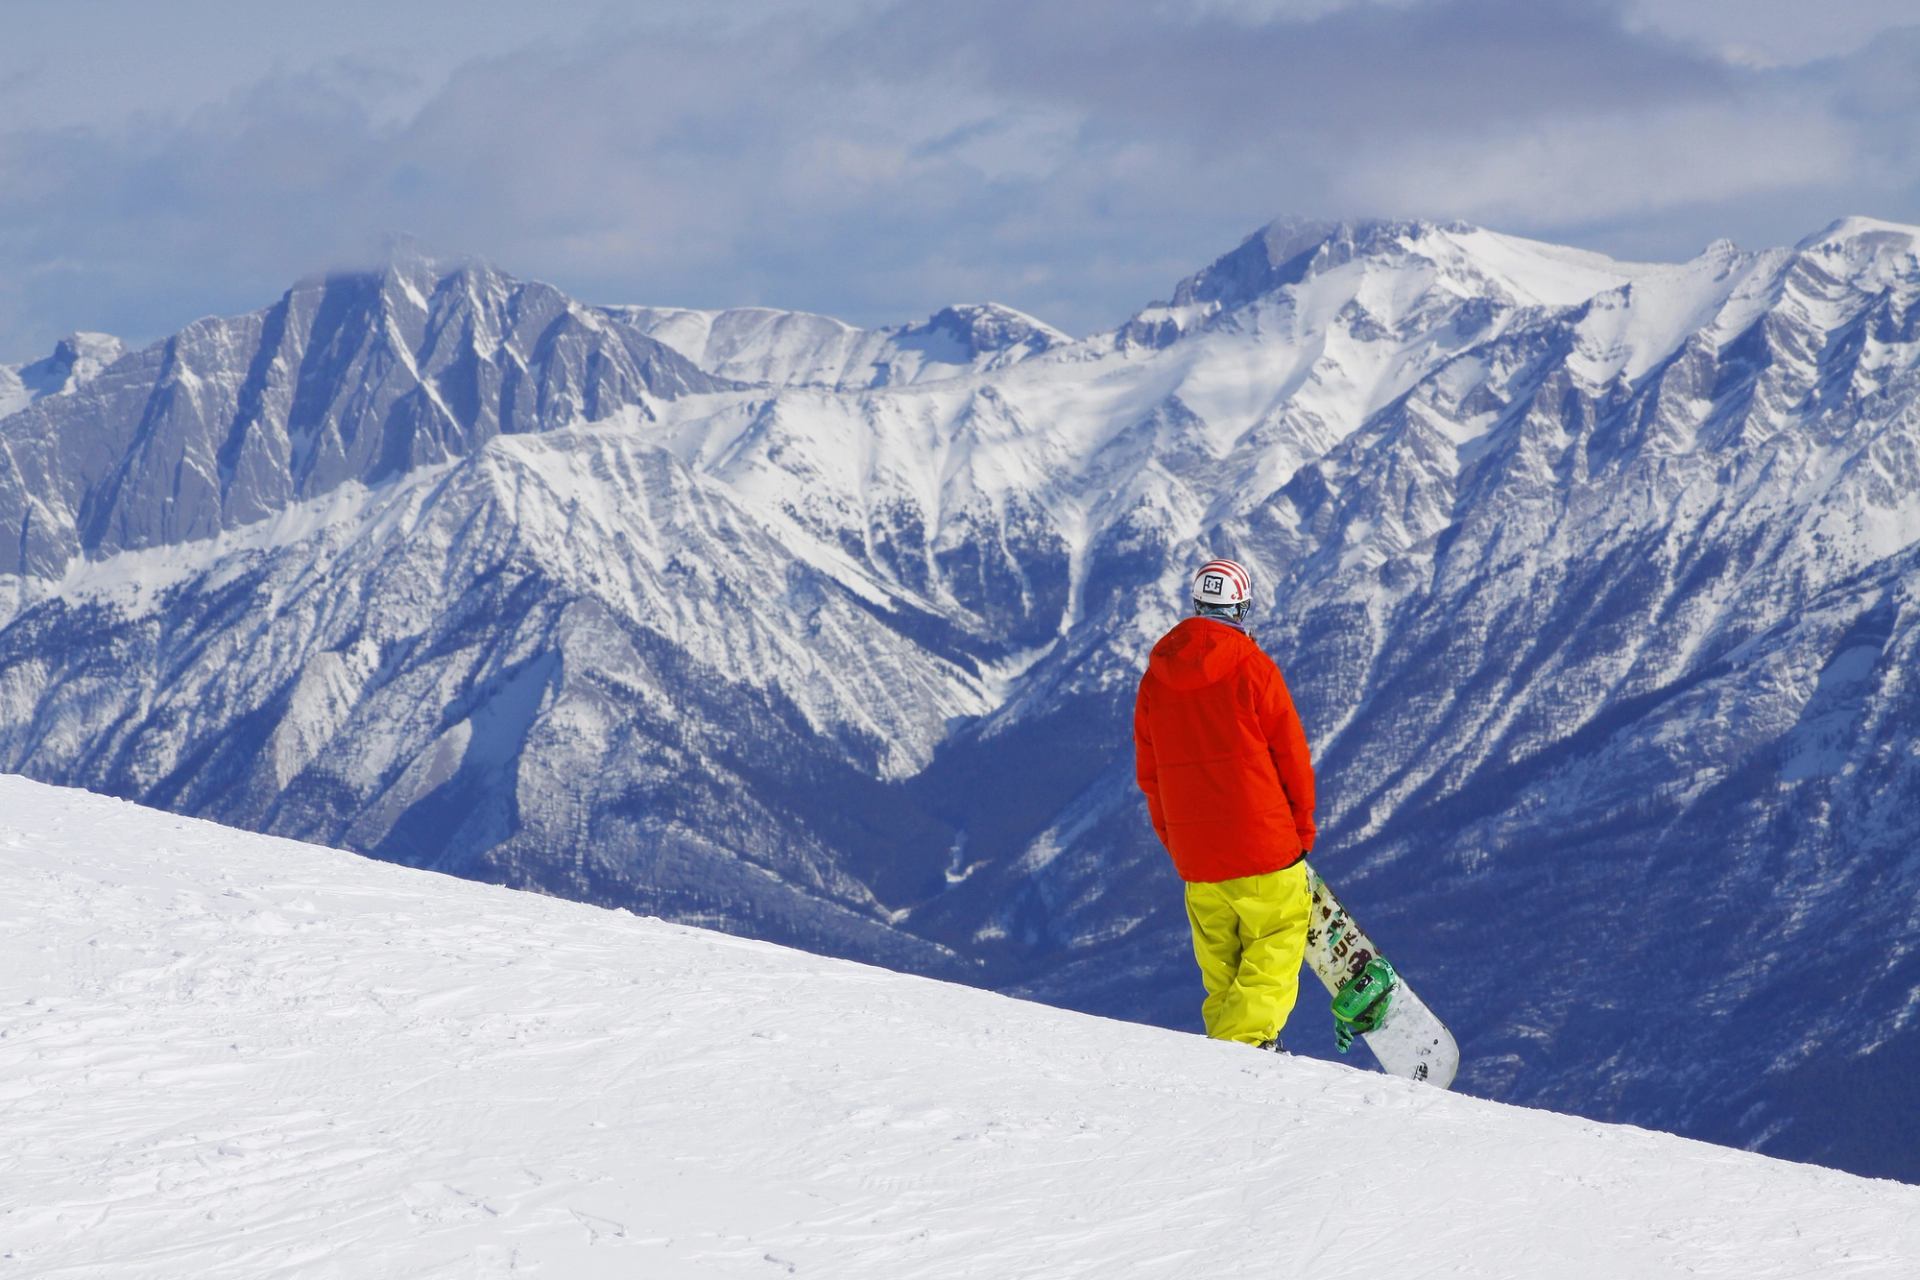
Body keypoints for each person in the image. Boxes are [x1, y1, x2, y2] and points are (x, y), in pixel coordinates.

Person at [1132, 556, 1317, 1051]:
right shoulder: (1254, 669)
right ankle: (1246, 1050)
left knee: (1222, 966)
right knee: (1274, 943)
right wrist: (1301, 832)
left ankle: (1227, 1057)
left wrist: (1177, 844)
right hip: (1265, 847)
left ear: (1195, 606)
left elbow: (1150, 777)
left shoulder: (1154, 682)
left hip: (1198, 857)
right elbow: (1291, 757)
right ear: (1242, 608)